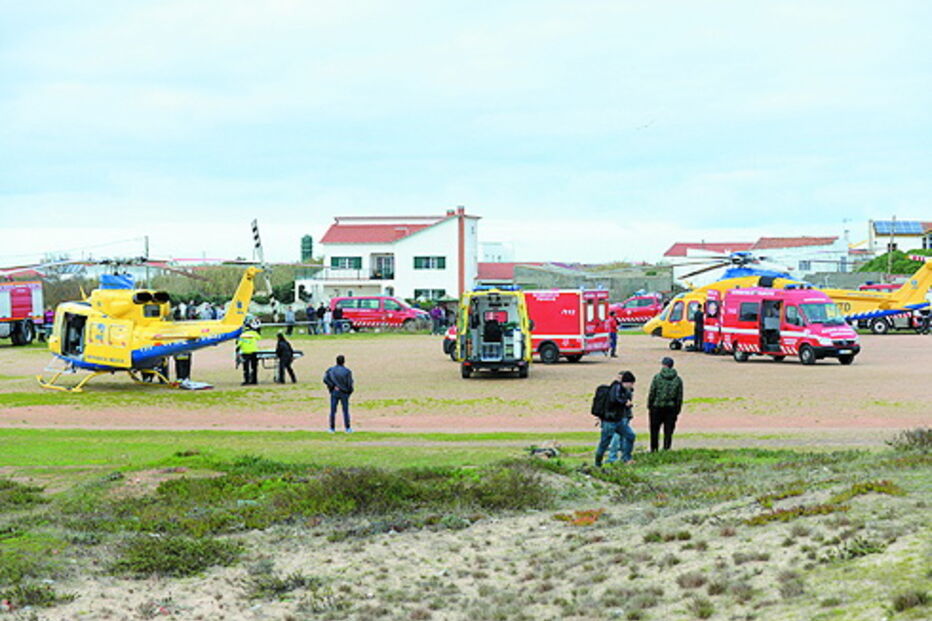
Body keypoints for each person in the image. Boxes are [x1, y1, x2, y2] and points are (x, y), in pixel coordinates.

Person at [595, 370, 637, 467]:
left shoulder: (624, 390)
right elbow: (614, 399)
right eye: (631, 383)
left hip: (619, 421)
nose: (632, 386)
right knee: (604, 444)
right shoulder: (615, 388)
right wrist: (625, 402)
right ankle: (597, 463)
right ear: (627, 382)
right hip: (609, 422)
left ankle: (627, 458)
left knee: (630, 435)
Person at [647, 357, 684, 452]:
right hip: (671, 407)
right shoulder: (678, 380)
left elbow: (652, 392)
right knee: (668, 430)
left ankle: (654, 449)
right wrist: (678, 409)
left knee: (654, 429)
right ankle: (666, 447)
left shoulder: (657, 377)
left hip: (657, 406)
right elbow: (679, 396)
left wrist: (650, 405)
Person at [323, 354, 354, 432]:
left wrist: (332, 387)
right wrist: (349, 391)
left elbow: (325, 379)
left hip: (335, 392)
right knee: (345, 411)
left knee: (333, 411)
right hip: (344, 393)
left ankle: (332, 428)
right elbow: (349, 383)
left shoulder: (331, 370)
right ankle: (347, 428)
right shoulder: (347, 371)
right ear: (344, 362)